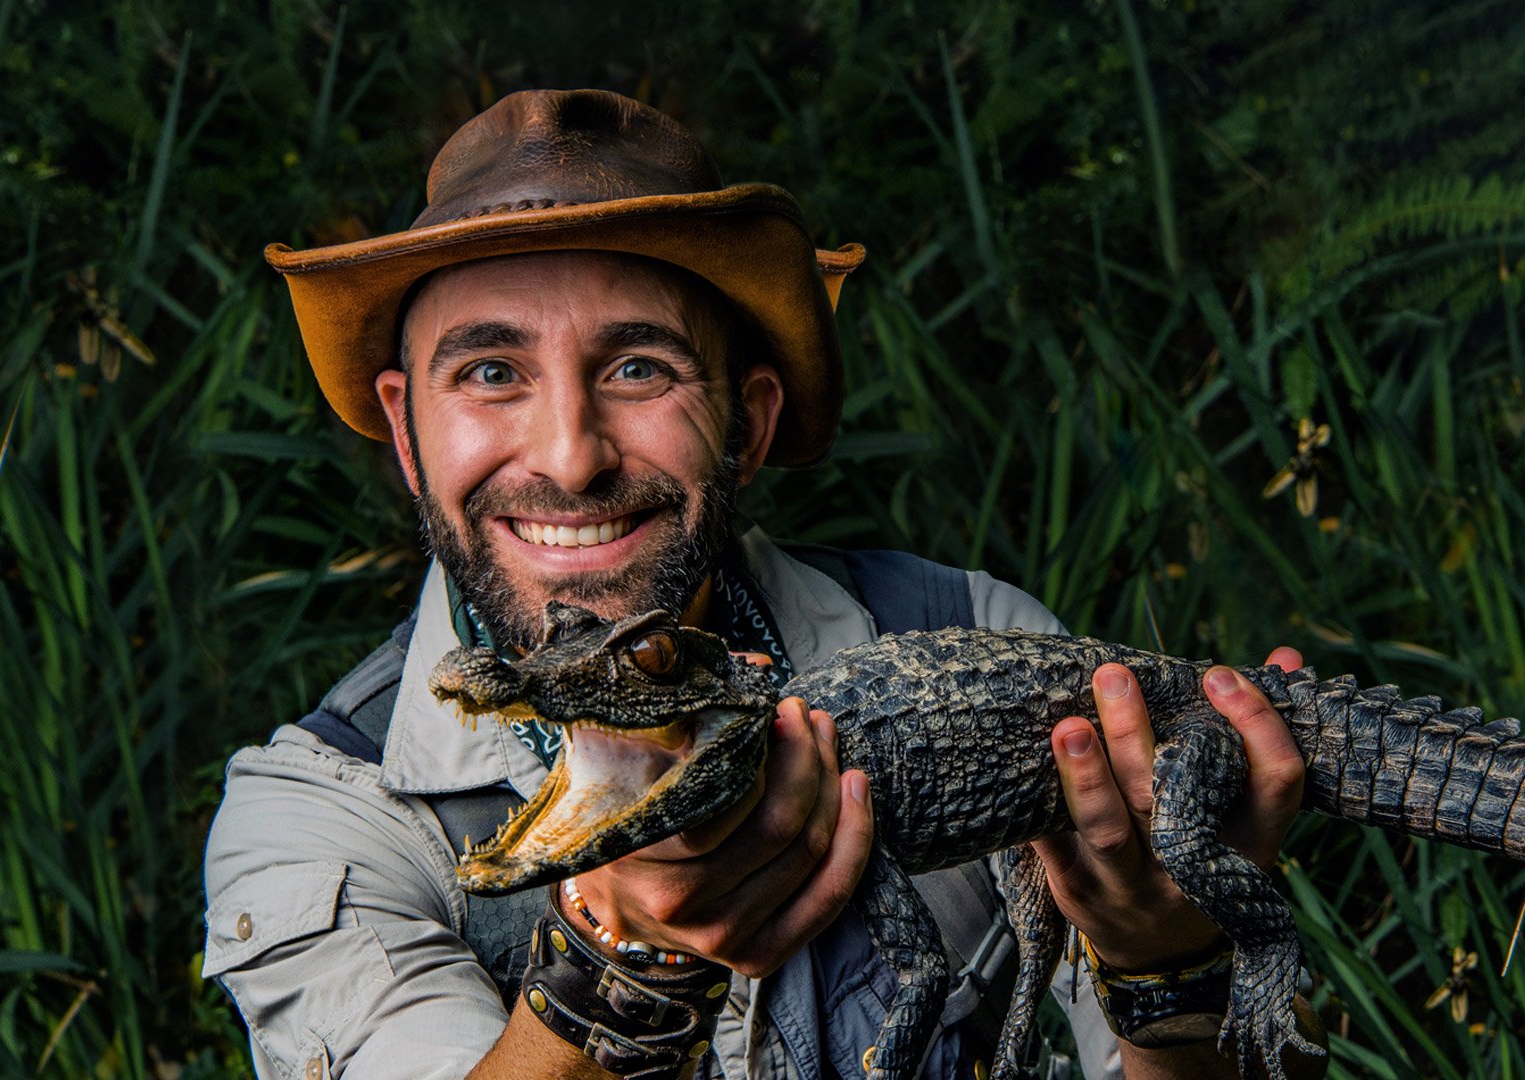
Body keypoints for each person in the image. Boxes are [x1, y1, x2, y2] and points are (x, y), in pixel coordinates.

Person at [204, 89, 1324, 1080]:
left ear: (748, 419)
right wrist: (621, 966)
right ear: (407, 428)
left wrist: (1169, 968)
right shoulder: (320, 812)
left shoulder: (981, 638)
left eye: (640, 366)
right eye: (491, 371)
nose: (570, 455)